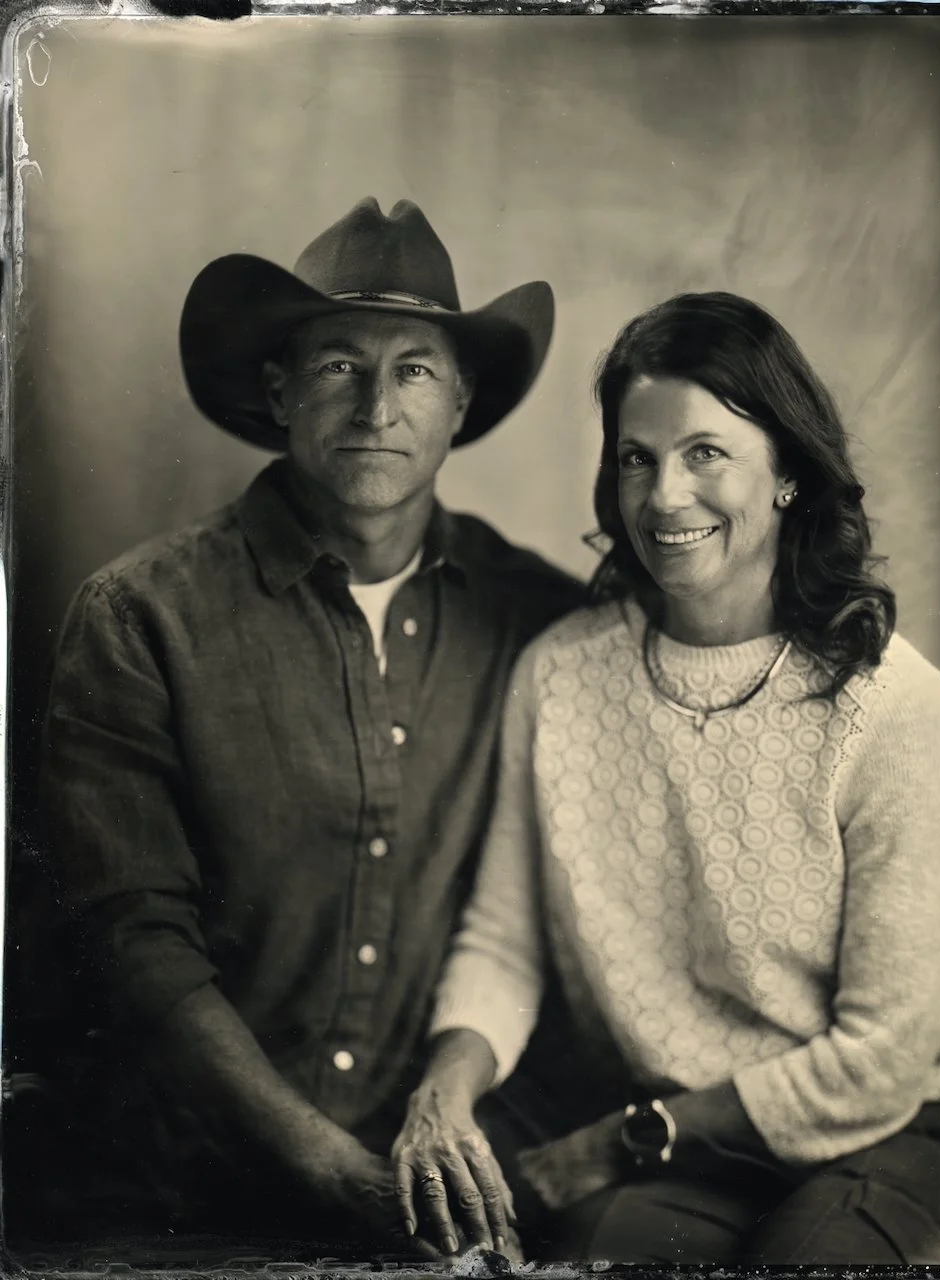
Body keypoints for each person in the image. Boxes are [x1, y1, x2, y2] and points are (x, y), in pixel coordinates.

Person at [390, 291, 940, 1264]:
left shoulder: (890, 702)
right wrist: (443, 1088)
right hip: (684, 1132)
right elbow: (506, 943)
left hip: (897, 1121)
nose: (664, 495)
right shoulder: (560, 673)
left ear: (790, 475)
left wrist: (624, 1137)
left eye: (704, 452)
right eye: (637, 457)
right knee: (608, 1257)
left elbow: (882, 1057)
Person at [38, 197, 584, 1259]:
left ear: (461, 400)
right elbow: (131, 938)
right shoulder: (140, 613)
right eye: (338, 364)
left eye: (415, 370)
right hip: (168, 1186)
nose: (377, 405)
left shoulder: (538, 618)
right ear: (280, 388)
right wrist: (331, 1170)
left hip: (432, 1166)